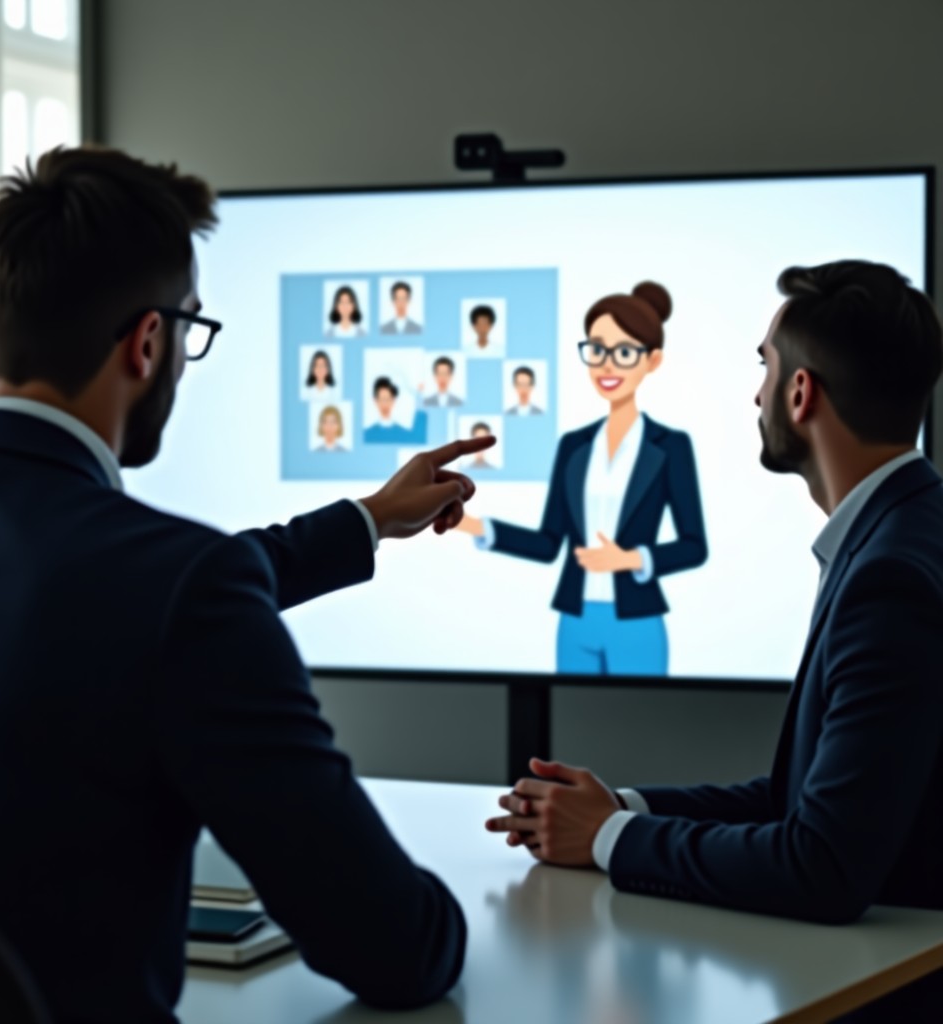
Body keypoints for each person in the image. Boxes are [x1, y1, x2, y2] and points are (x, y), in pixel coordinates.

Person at [0, 147, 493, 1024]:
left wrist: (368, 520)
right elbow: (394, 946)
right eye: (191, 327)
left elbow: (117, 591)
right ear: (149, 342)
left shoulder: (157, 581)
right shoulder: (178, 590)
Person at [486, 260, 943, 1022]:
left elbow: (822, 865)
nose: (756, 392)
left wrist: (611, 838)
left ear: (802, 395)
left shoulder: (889, 576)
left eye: (764, 368)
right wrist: (614, 809)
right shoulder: (900, 532)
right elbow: (798, 803)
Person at [459, 282, 707, 676]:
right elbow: (547, 544)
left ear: (653, 360)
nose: (607, 365)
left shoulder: (670, 446)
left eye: (624, 353)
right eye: (597, 350)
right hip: (575, 620)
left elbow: (695, 546)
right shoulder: (573, 446)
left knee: (641, 729)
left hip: (636, 620)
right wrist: (469, 524)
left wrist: (630, 559)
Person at [363, 375, 428, 445]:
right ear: (375, 401)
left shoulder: (402, 433)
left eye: (388, 399)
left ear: (393, 401)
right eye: (382, 399)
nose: (385, 404)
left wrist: (419, 396)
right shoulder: (367, 434)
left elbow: (418, 438)